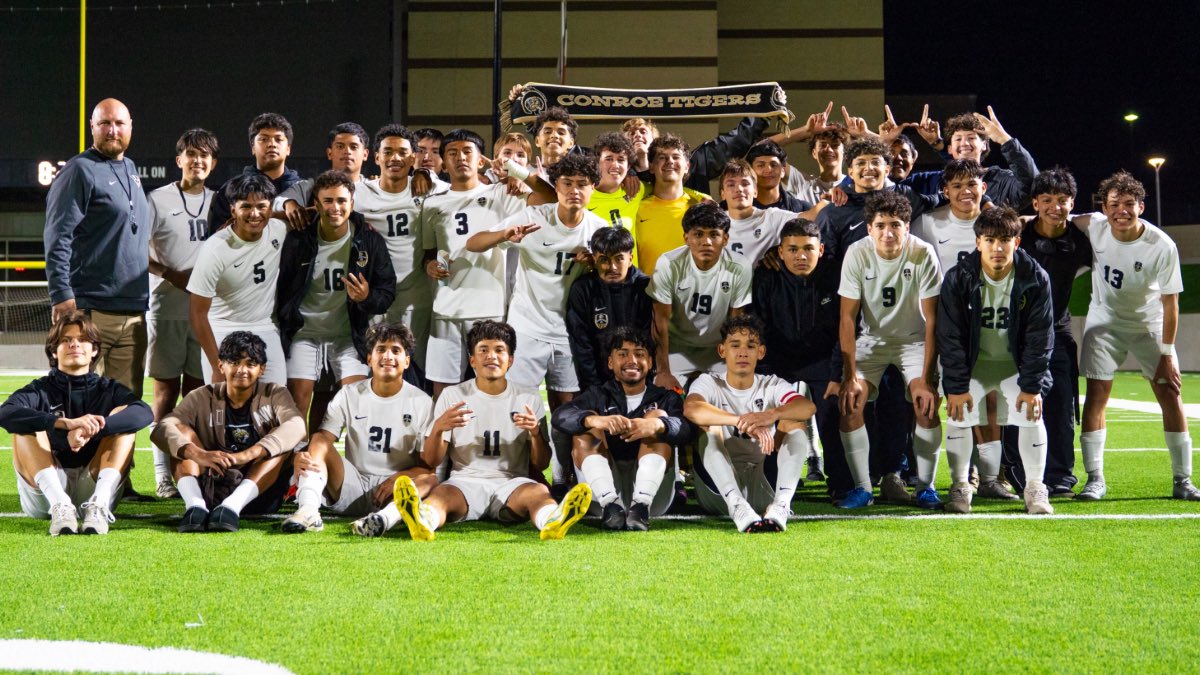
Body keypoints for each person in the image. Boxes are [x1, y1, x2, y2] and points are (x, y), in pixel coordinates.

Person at [390, 320, 593, 541]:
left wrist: (535, 434)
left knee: (539, 494)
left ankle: (552, 521)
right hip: (465, 481)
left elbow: (541, 464)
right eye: (483, 350)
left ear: (511, 360)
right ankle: (423, 521)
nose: (491, 356)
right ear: (472, 360)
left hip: (512, 482)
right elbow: (430, 460)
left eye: (499, 350)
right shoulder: (452, 396)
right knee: (441, 495)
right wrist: (439, 428)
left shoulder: (528, 398)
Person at [1074, 171, 1198, 501]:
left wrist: (1167, 353)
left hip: (1148, 326)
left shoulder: (1161, 245)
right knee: (1097, 393)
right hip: (1104, 323)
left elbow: (1170, 304)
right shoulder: (1094, 225)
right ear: (1104, 206)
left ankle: (1182, 479)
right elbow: (1053, 214)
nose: (1121, 211)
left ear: (1141, 206)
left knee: (1170, 394)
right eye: (1114, 204)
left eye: (1129, 204)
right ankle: (1095, 478)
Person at [418, 129, 552, 399]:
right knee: (443, 392)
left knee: (490, 388)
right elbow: (429, 254)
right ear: (443, 162)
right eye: (452, 153)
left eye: (468, 151)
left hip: (489, 309)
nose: (460, 158)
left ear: (482, 161)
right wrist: (430, 266)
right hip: (446, 309)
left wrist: (518, 173)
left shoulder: (502, 193)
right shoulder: (432, 204)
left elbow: (550, 198)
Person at [937, 207, 1055, 514]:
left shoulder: (1035, 278)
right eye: (990, 240)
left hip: (1012, 365)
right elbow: (950, 337)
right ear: (978, 243)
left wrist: (1031, 385)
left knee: (1031, 411)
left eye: (1005, 239)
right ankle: (961, 484)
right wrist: (957, 385)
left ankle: (1034, 487)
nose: (997, 247)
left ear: (1017, 242)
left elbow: (1040, 338)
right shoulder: (958, 277)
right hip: (976, 364)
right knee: (959, 412)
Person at [0, 311, 153, 535]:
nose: (75, 345)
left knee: (125, 422)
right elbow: (5, 413)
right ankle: (61, 505)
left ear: (94, 350)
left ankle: (98, 505)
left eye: (83, 340)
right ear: (54, 350)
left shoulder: (108, 389)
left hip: (92, 485)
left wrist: (94, 429)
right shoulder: (40, 389)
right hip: (47, 491)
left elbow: (144, 413)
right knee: (25, 424)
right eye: (66, 340)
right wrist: (63, 424)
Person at [836, 191, 943, 509]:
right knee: (851, 403)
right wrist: (848, 375)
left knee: (925, 405)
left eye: (895, 224)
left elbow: (932, 321)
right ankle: (863, 488)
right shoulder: (857, 253)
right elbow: (846, 318)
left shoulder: (922, 253)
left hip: (914, 341)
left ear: (907, 226)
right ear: (869, 228)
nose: (888, 232)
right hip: (873, 341)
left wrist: (928, 377)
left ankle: (926, 486)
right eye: (880, 225)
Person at [281, 323, 437, 535]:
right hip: (352, 484)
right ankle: (308, 510)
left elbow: (426, 468)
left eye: (396, 350)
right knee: (318, 439)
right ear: (369, 359)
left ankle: (384, 519)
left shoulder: (422, 401)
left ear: (407, 361)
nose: (388, 356)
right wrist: (302, 455)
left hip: (394, 491)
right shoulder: (349, 393)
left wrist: (399, 478)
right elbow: (322, 442)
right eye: (381, 349)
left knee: (430, 479)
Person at [44, 98, 152, 398]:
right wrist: (62, 295)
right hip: (91, 310)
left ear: (130, 127)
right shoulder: (79, 170)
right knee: (81, 408)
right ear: (92, 127)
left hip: (133, 313)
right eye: (104, 123)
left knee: (124, 412)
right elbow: (57, 236)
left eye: (119, 123)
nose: (112, 130)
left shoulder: (130, 167)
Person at [276, 169, 395, 428]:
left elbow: (386, 292)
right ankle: (295, 464)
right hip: (303, 333)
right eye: (328, 201)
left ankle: (347, 465)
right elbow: (282, 288)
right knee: (298, 401)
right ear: (316, 204)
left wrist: (366, 297)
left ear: (352, 204)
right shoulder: (298, 240)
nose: (335, 208)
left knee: (356, 401)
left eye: (342, 201)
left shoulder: (369, 240)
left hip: (347, 334)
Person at [151, 332, 305, 532]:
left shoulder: (274, 393)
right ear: (221, 366)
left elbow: (298, 425)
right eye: (234, 362)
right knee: (180, 432)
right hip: (213, 485)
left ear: (261, 369)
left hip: (258, 492)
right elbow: (162, 428)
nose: (242, 370)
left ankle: (232, 507)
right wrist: (198, 454)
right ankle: (195, 507)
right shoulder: (201, 396)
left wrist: (247, 455)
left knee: (280, 443)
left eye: (250, 364)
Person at [552, 327, 693, 530]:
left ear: (650, 362)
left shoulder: (665, 397)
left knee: (659, 418)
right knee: (586, 422)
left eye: (639, 354)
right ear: (611, 362)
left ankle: (640, 507)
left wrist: (657, 425)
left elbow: (687, 429)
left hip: (653, 499)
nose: (632, 360)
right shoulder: (598, 394)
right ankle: (611, 506)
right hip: (601, 497)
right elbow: (560, 416)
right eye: (623, 354)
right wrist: (594, 421)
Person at [685, 315, 816, 532]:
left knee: (794, 422)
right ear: (722, 351)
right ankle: (737, 505)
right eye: (735, 345)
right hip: (718, 492)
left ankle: (781, 505)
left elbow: (807, 407)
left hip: (763, 484)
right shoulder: (709, 382)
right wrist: (742, 421)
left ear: (761, 352)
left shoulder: (772, 384)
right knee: (708, 427)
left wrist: (770, 415)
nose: (743, 352)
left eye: (751, 345)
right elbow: (692, 408)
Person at [146, 128, 220, 498]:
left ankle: (184, 468)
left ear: (213, 163)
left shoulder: (220, 201)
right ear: (179, 160)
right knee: (164, 392)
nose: (198, 161)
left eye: (205, 155)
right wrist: (169, 273)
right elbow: (137, 249)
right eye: (191, 154)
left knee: (194, 394)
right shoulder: (157, 199)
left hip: (206, 312)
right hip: (167, 308)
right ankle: (161, 472)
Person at [750, 218, 847, 495]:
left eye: (807, 248)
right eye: (792, 249)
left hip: (823, 360)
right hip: (779, 360)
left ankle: (841, 485)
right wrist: (765, 378)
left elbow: (844, 327)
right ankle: (769, 483)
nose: (801, 256)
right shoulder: (767, 276)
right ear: (780, 252)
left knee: (831, 415)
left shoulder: (835, 275)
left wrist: (837, 372)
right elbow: (760, 326)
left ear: (821, 249)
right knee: (768, 414)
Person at [1015, 168, 1092, 494]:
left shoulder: (1081, 240)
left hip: (1057, 331)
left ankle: (1060, 476)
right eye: (1046, 200)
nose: (1054, 207)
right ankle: (1018, 474)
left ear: (1071, 203)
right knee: (1018, 405)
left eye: (1062, 200)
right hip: (1017, 331)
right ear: (1035, 202)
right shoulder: (1019, 232)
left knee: (1061, 403)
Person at [357, 124, 444, 372]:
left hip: (417, 296)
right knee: (378, 367)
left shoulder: (429, 189)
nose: (395, 158)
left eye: (403, 152)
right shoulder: (359, 194)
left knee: (418, 367)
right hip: (375, 296)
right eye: (388, 152)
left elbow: (464, 191)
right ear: (376, 157)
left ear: (413, 157)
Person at [187, 174, 288, 385]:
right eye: (246, 207)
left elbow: (317, 215)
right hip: (223, 327)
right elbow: (197, 313)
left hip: (264, 327)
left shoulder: (278, 229)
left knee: (274, 402)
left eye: (262, 206)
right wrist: (217, 364)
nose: (255, 214)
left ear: (270, 209)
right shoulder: (215, 248)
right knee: (223, 408)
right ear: (233, 209)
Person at [649, 201, 752, 391]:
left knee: (733, 398)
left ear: (726, 239)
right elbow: (659, 322)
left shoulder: (740, 267)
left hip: (718, 350)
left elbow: (736, 323)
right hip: (677, 348)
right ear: (686, 238)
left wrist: (734, 362)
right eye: (698, 234)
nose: (706, 242)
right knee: (667, 400)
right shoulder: (668, 263)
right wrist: (663, 371)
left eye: (714, 235)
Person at [566, 226, 654, 391]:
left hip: (641, 381)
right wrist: (594, 389)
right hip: (597, 382)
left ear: (630, 258)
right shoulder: (583, 289)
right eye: (604, 259)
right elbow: (582, 344)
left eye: (619, 259)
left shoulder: (646, 288)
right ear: (594, 259)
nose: (612, 267)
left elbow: (650, 341)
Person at [909, 106, 1037, 209]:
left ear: (984, 145)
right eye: (958, 139)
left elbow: (1032, 186)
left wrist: (1005, 140)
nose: (964, 143)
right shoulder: (932, 181)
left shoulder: (1001, 181)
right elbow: (894, 189)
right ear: (949, 149)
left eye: (971, 138)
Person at [206, 113, 301, 233]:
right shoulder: (232, 188)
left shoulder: (302, 189)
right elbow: (218, 237)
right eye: (264, 139)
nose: (272, 144)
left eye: (278, 139)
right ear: (253, 148)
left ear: (288, 149)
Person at [634, 133, 711, 276]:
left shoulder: (702, 207)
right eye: (662, 157)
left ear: (687, 166)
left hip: (691, 294)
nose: (670, 161)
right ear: (651, 167)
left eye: (676, 157)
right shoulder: (636, 207)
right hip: (649, 294)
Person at [720, 159, 824, 264]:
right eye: (731, 185)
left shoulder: (770, 218)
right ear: (722, 194)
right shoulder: (715, 225)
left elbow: (811, 216)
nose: (739, 189)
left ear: (755, 191)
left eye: (745, 183)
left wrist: (831, 196)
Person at [276, 122, 372, 228]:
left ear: (365, 154)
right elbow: (274, 204)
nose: (347, 151)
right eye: (340, 146)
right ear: (329, 153)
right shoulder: (309, 187)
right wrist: (288, 203)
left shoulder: (374, 189)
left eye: (354, 147)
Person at [742, 142, 815, 214]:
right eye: (761, 165)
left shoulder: (803, 209)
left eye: (773, 165)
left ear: (783, 171)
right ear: (750, 171)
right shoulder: (737, 208)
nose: (768, 170)